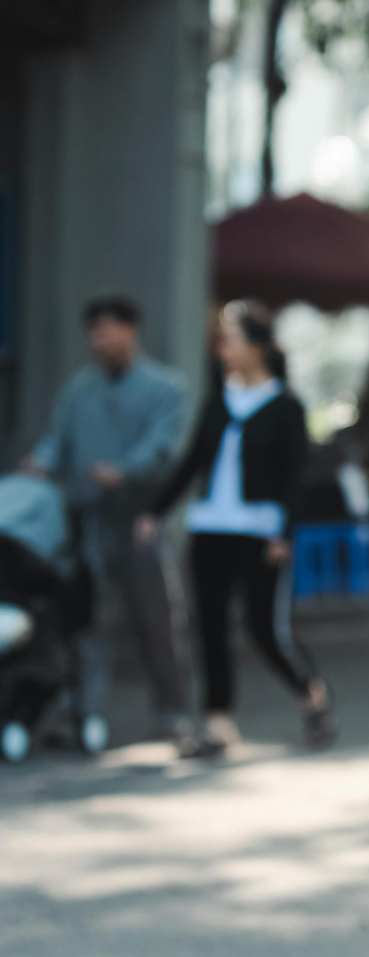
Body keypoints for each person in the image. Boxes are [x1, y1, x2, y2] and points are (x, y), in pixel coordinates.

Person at [136, 300, 334, 756]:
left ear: (257, 345)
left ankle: (312, 693)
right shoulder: (218, 398)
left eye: (231, 337)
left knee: (264, 628)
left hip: (261, 530)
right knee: (209, 625)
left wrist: (284, 533)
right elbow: (191, 462)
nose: (221, 346)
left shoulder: (285, 407)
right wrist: (155, 512)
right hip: (211, 526)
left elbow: (295, 478)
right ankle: (217, 723)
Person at [23, 294, 191, 745]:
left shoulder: (165, 387)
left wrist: (125, 470)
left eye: (106, 330)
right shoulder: (80, 389)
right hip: (89, 520)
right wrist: (40, 462)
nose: (98, 340)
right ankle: (85, 712)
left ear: (129, 331)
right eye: (93, 332)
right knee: (89, 620)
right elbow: (57, 440)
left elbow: (162, 446)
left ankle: (172, 711)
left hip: (140, 520)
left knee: (156, 620)